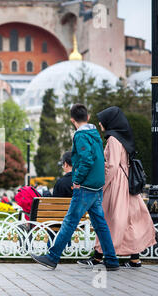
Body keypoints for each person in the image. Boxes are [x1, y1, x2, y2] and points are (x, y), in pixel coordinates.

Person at [31, 103, 119, 271]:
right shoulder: (95, 134)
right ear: (88, 117)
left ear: (72, 120)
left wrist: (77, 179)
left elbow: (86, 159)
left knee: (70, 221)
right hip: (97, 186)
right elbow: (98, 159)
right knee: (100, 224)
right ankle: (112, 260)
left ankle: (52, 257)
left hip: (85, 187)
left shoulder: (80, 136)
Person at [78, 106, 157, 269]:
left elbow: (112, 165)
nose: (100, 124)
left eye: (102, 120)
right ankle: (134, 259)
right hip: (127, 184)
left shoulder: (113, 139)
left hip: (117, 184)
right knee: (128, 220)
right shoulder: (123, 137)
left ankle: (99, 257)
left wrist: (101, 183)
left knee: (109, 219)